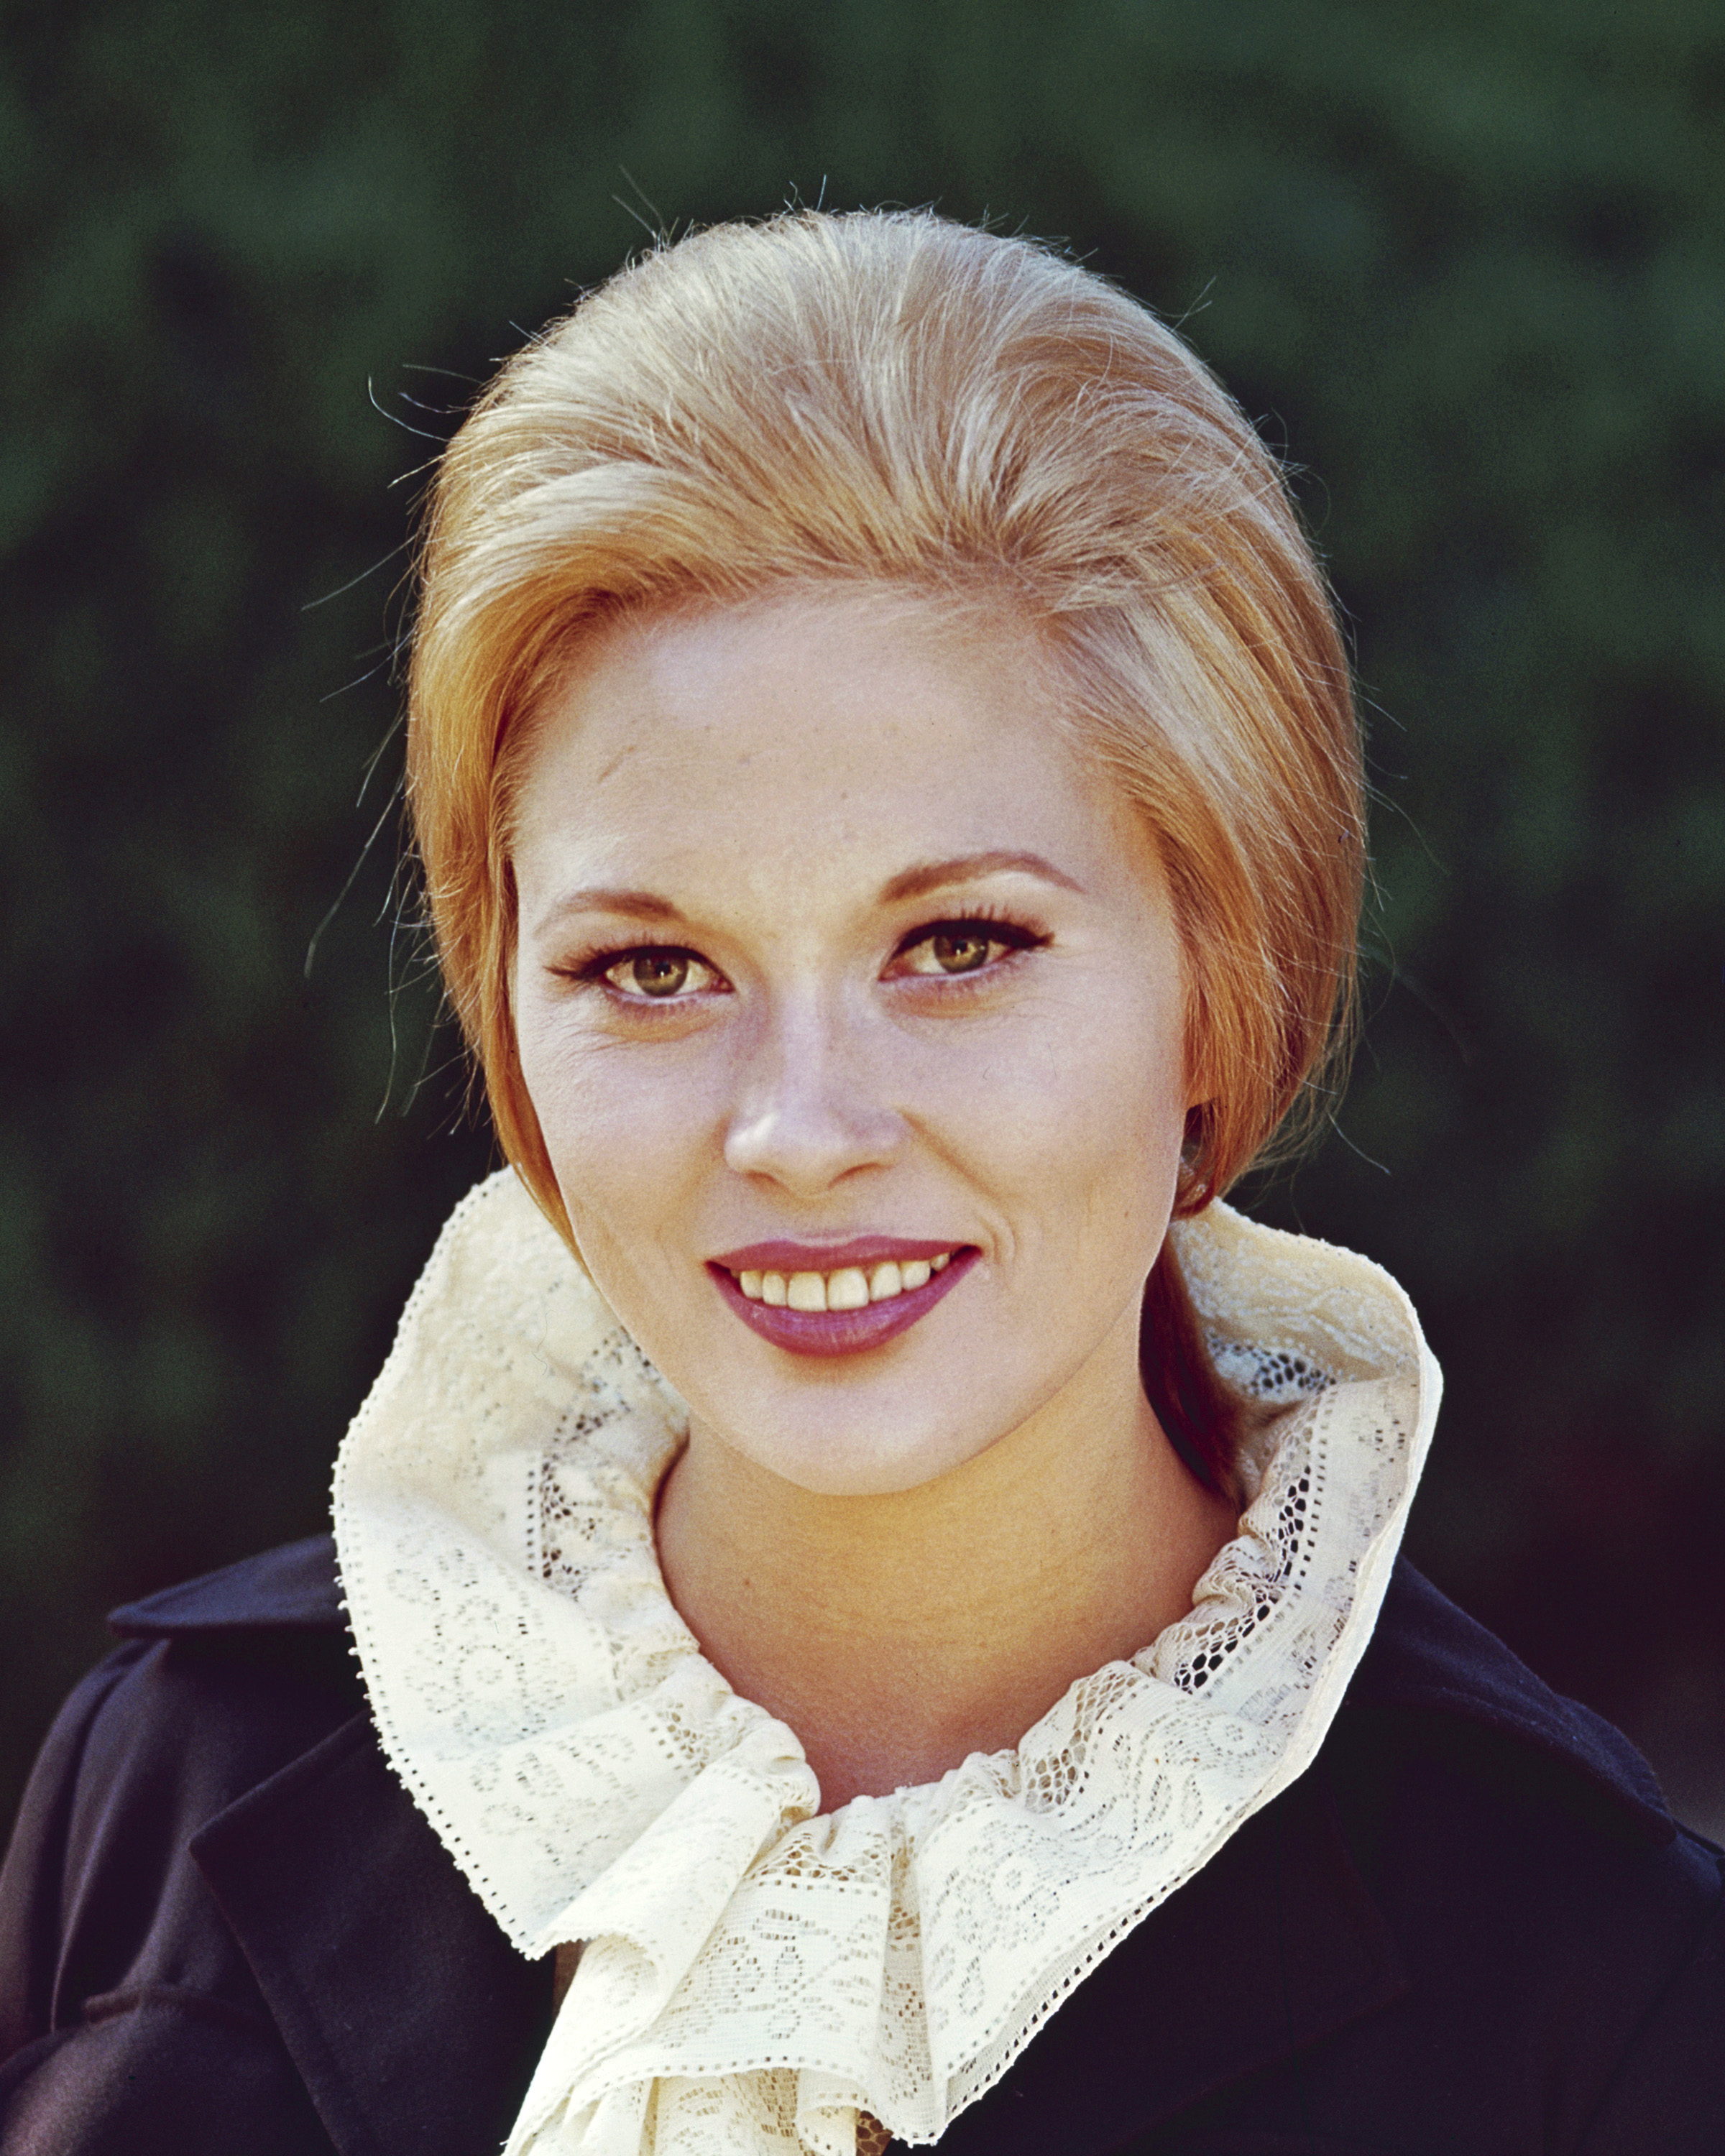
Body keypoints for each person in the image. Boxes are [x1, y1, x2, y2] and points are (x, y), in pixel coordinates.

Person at [0, 210, 1719, 2156]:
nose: (801, 1126)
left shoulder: (1594, 1999)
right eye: (650, 970)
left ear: (1222, 1000)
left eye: (961, 946)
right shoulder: (171, 1780)